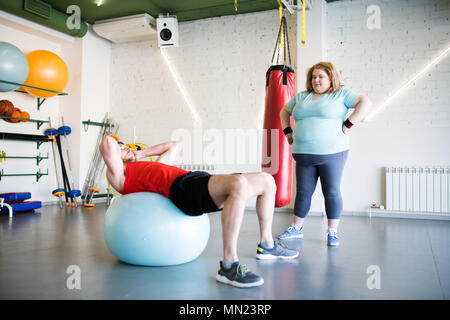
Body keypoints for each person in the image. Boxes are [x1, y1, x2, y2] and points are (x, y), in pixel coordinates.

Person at [99, 135, 299, 288]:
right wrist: (121, 149)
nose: (126, 148)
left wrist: (140, 154)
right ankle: (229, 266)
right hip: (182, 190)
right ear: (115, 156)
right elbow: (107, 141)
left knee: (267, 181)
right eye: (121, 148)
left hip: (196, 179)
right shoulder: (119, 175)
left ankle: (267, 245)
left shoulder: (152, 166)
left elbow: (173, 145)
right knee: (237, 184)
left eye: (126, 146)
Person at [278, 61, 372, 246]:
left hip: (333, 153)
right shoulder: (302, 97)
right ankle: (296, 228)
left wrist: (349, 123)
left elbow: (365, 102)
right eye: (313, 77)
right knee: (303, 192)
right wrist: (287, 131)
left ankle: (332, 232)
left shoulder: (340, 95)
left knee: (331, 191)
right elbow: (284, 111)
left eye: (321, 76)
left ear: (331, 78)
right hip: (303, 155)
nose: (316, 80)